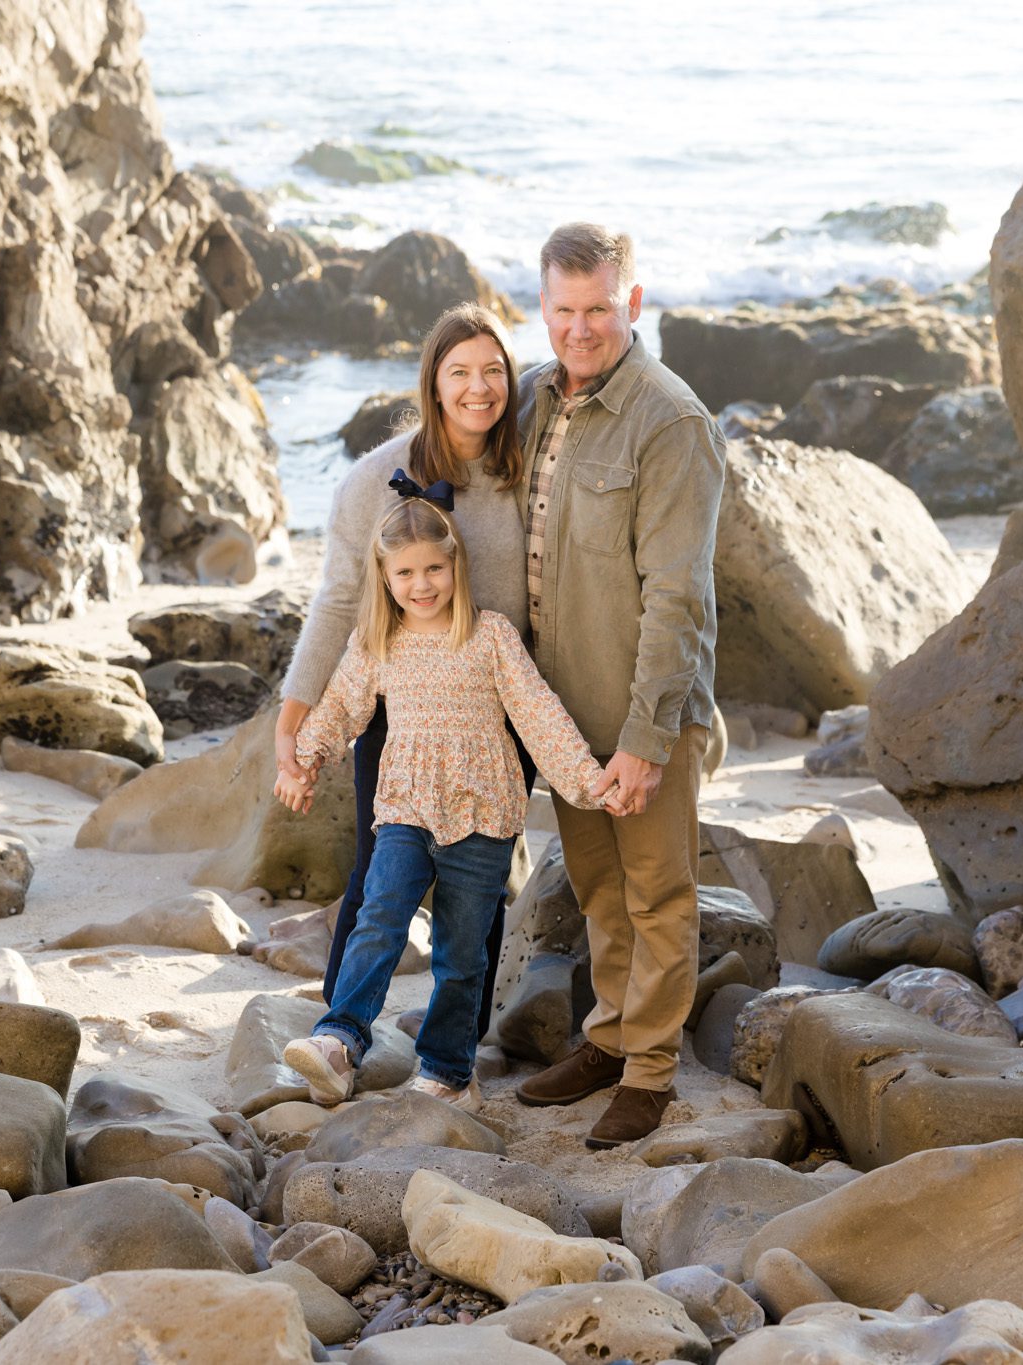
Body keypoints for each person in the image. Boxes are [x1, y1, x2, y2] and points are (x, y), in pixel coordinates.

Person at [274, 491, 613, 1106]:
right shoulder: (377, 640)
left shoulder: (491, 636)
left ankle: (449, 1072)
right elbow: (342, 706)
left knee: (460, 952)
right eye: (404, 572)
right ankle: (340, 1040)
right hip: (404, 803)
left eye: (433, 568)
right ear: (385, 576)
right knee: (380, 915)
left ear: (457, 565)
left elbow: (537, 714)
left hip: (483, 811)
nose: (421, 584)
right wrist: (303, 757)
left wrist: (587, 779)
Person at [510, 222, 726, 1147]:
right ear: (544, 307)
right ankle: (607, 1036)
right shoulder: (531, 400)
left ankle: (650, 1071)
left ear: (631, 303)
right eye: (563, 310)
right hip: (564, 711)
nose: (580, 327)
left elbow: (677, 596)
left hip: (646, 713)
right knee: (597, 889)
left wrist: (646, 735)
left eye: (598, 308)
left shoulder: (671, 422)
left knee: (657, 894)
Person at [274, 304, 531, 1041]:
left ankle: (460, 1041)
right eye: (459, 372)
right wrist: (292, 722)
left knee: (483, 877)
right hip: (396, 703)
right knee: (378, 867)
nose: (478, 388)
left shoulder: (529, 473)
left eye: (493, 371)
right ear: (433, 382)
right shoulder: (369, 483)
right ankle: (336, 1033)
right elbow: (335, 604)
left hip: (497, 701)